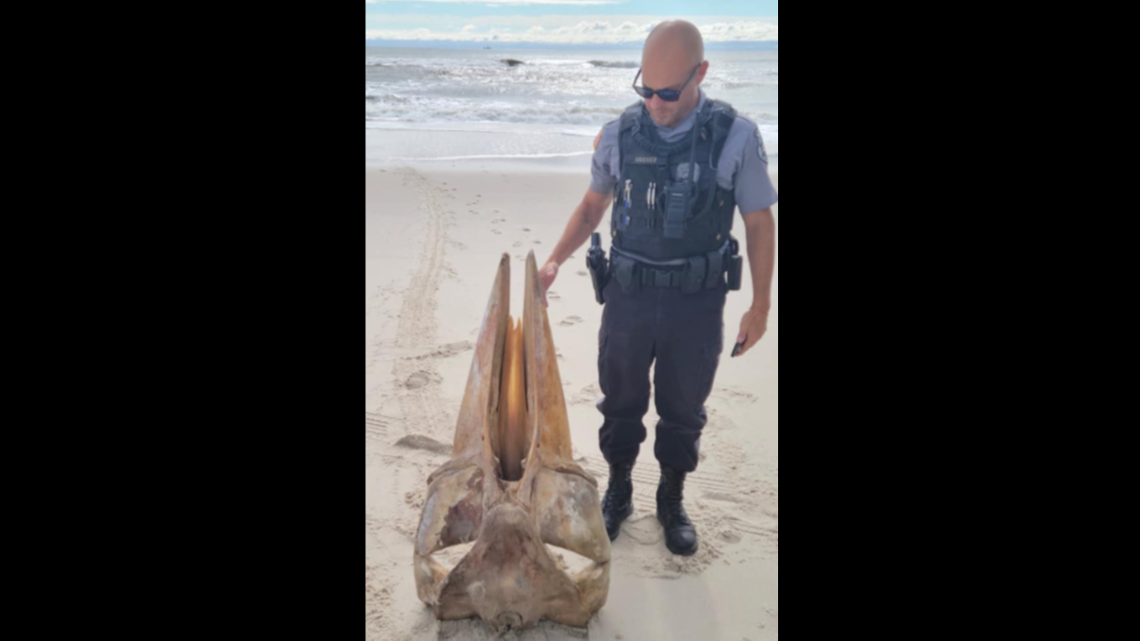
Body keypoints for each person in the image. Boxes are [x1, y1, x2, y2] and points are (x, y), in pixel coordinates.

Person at [539, 20, 777, 556]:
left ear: (702, 74)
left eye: (668, 92)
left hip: (696, 300)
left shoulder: (735, 136)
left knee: (683, 404)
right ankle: (620, 487)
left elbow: (759, 223)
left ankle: (672, 496)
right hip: (628, 296)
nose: (656, 103)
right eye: (646, 89)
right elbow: (591, 206)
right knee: (620, 397)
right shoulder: (620, 132)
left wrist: (761, 305)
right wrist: (555, 259)